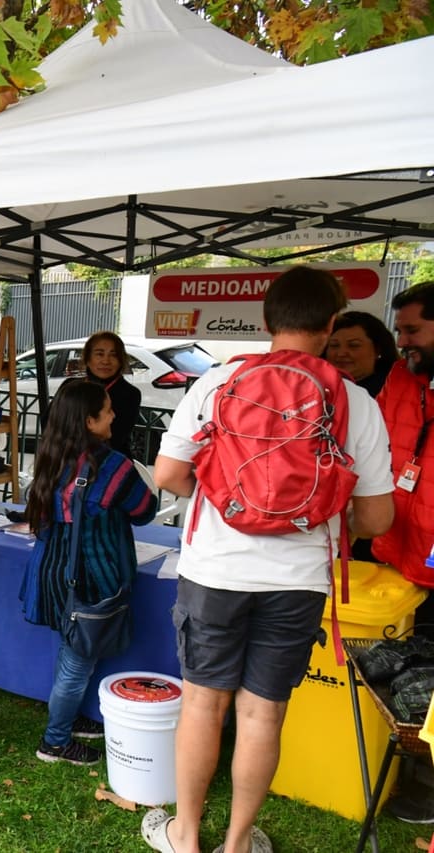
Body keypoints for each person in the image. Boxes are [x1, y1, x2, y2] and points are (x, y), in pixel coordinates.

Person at [141, 266, 394, 853]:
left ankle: (185, 834)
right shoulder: (355, 402)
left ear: (266, 320)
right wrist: (322, 513)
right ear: (331, 325)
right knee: (262, 716)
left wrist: (223, 489)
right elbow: (377, 519)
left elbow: (170, 475)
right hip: (299, 581)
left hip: (214, 572)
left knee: (204, 705)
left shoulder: (215, 384)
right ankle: (236, 844)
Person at [21, 381, 156, 765]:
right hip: (92, 575)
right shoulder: (112, 467)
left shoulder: (50, 455)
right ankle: (55, 741)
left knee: (71, 651)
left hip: (51, 572)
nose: (114, 415)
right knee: (77, 662)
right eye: (108, 410)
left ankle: (69, 718)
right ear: (89, 420)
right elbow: (145, 510)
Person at [372, 280, 434, 824]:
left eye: (413, 329)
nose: (403, 340)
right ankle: (398, 764)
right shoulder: (400, 377)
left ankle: (428, 785)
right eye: (400, 330)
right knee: (402, 671)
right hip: (399, 551)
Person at [72, 331, 141, 458]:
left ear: (121, 360)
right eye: (99, 354)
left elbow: (116, 438)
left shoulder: (130, 394)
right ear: (87, 358)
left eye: (113, 355)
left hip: (110, 462)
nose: (106, 361)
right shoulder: (70, 387)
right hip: (67, 458)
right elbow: (51, 425)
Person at [326, 310, 400, 399]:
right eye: (334, 345)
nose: (341, 353)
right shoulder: (316, 386)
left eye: (353, 345)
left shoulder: (393, 393)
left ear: (377, 350)